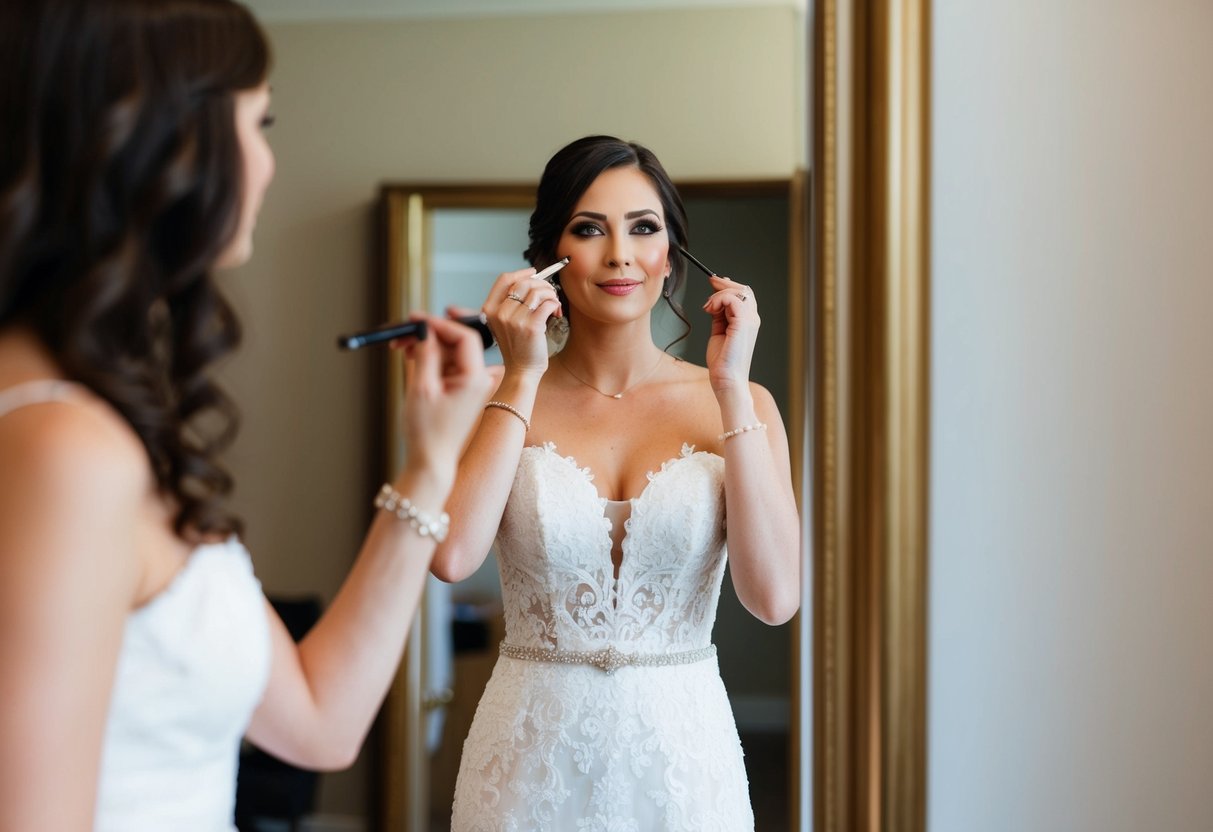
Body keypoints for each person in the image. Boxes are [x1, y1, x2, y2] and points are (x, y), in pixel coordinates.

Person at [0, 2, 492, 829]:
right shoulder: (62, 449)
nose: (267, 162)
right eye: (257, 123)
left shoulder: (88, 418)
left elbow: (318, 722)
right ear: (165, 141)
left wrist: (429, 465)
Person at [434, 135, 801, 831]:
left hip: (682, 764)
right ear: (548, 256)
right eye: (588, 229)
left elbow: (775, 597)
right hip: (526, 763)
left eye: (643, 228)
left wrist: (729, 390)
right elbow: (452, 558)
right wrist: (519, 375)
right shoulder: (492, 392)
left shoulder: (743, 403)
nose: (620, 255)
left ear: (673, 252)